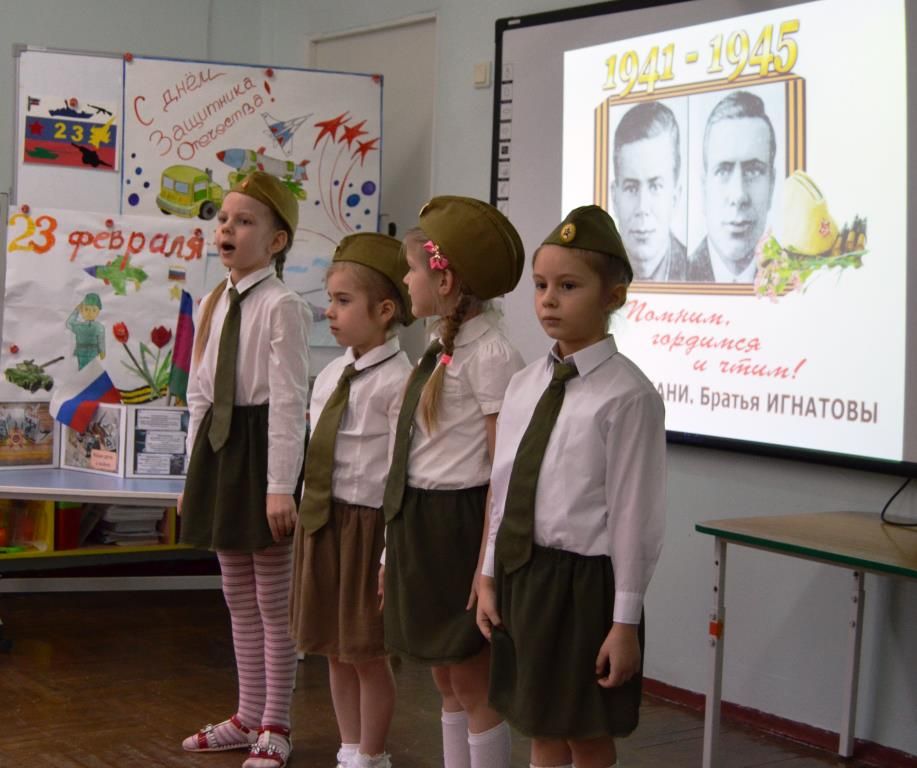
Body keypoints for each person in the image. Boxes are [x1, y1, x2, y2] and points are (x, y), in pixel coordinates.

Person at [477, 206, 666, 768]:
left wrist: (624, 622)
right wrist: (488, 574)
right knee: (539, 724)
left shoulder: (628, 397)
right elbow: (503, 489)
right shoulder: (524, 384)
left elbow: (635, 517)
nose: (549, 301)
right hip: (526, 575)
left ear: (614, 296)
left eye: (568, 286)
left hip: (585, 588)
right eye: (540, 286)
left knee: (585, 731)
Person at [382, 196, 525, 768]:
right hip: (423, 524)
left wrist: (486, 565)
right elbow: (414, 454)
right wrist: (391, 550)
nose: (405, 280)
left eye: (412, 270)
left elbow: (502, 472)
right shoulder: (441, 345)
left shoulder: (491, 354)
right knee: (445, 678)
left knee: (473, 680)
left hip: (462, 529)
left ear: (444, 279)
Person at [178, 171, 311, 768]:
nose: (227, 228)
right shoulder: (213, 300)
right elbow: (198, 394)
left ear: (276, 241)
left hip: (262, 450)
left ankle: (276, 722)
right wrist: (191, 475)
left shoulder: (283, 306)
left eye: (245, 221)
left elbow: (288, 400)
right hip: (219, 448)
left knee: (272, 597)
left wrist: (280, 486)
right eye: (224, 219)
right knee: (235, 591)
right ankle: (246, 714)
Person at [290, 232, 414, 768]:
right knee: (333, 651)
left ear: (384, 311)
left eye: (343, 301)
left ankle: (372, 754)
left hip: (368, 530)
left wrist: (390, 552)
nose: (330, 311)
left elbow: (401, 475)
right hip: (324, 521)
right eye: (330, 299)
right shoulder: (331, 374)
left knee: (366, 653)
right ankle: (348, 749)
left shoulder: (400, 381)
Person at [688, 90, 777, 283]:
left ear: (772, 185)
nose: (738, 195)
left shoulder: (794, 277)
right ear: (703, 189)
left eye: (753, 171)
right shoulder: (681, 274)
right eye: (723, 171)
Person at [611, 101, 686, 281]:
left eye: (655, 186)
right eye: (631, 188)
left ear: (675, 198)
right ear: (614, 198)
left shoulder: (697, 270)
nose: (642, 208)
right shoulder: (591, 272)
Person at [66, 293, 105, 370]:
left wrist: (102, 351)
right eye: (86, 309)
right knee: (82, 370)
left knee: (93, 370)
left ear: (98, 312)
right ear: (82, 311)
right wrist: (76, 311)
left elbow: (101, 340)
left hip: (94, 353)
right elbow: (69, 323)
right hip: (81, 353)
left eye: (94, 310)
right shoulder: (79, 326)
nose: (90, 313)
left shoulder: (99, 327)